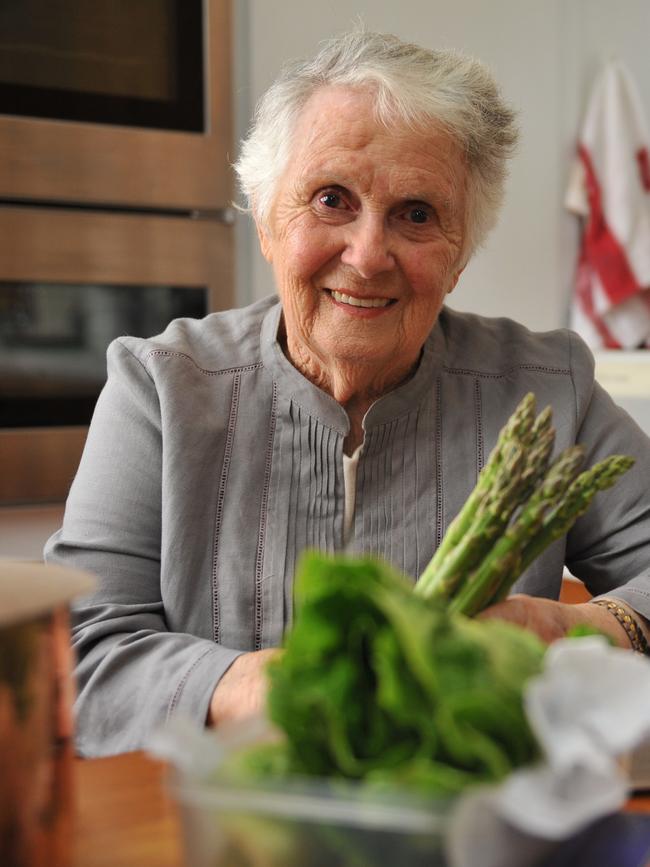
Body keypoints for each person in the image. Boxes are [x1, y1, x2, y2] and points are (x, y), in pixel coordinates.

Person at [45, 29, 650, 757]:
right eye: (332, 199)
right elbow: (79, 654)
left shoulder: (549, 388)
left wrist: (568, 628)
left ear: (460, 253)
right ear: (267, 222)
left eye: (417, 213)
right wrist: (260, 687)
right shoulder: (160, 388)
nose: (367, 256)